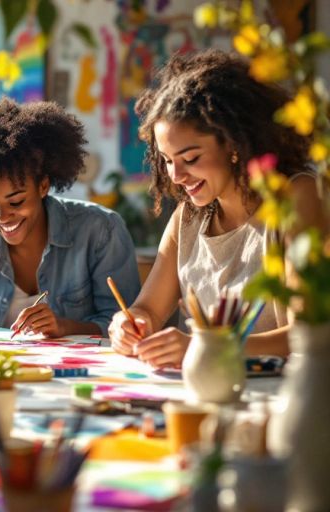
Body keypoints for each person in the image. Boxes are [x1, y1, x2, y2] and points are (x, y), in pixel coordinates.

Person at [108, 49, 316, 368]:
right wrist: (128, 325)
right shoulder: (189, 216)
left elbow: (308, 332)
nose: (176, 176)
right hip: (204, 393)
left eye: (190, 159)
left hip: (280, 400)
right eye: (167, 161)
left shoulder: (296, 198)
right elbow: (147, 309)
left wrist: (205, 347)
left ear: (233, 145)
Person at [0, 98, 140, 336]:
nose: (2, 216)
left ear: (43, 186)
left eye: (16, 201)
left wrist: (64, 327)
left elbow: (125, 325)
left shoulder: (100, 231)